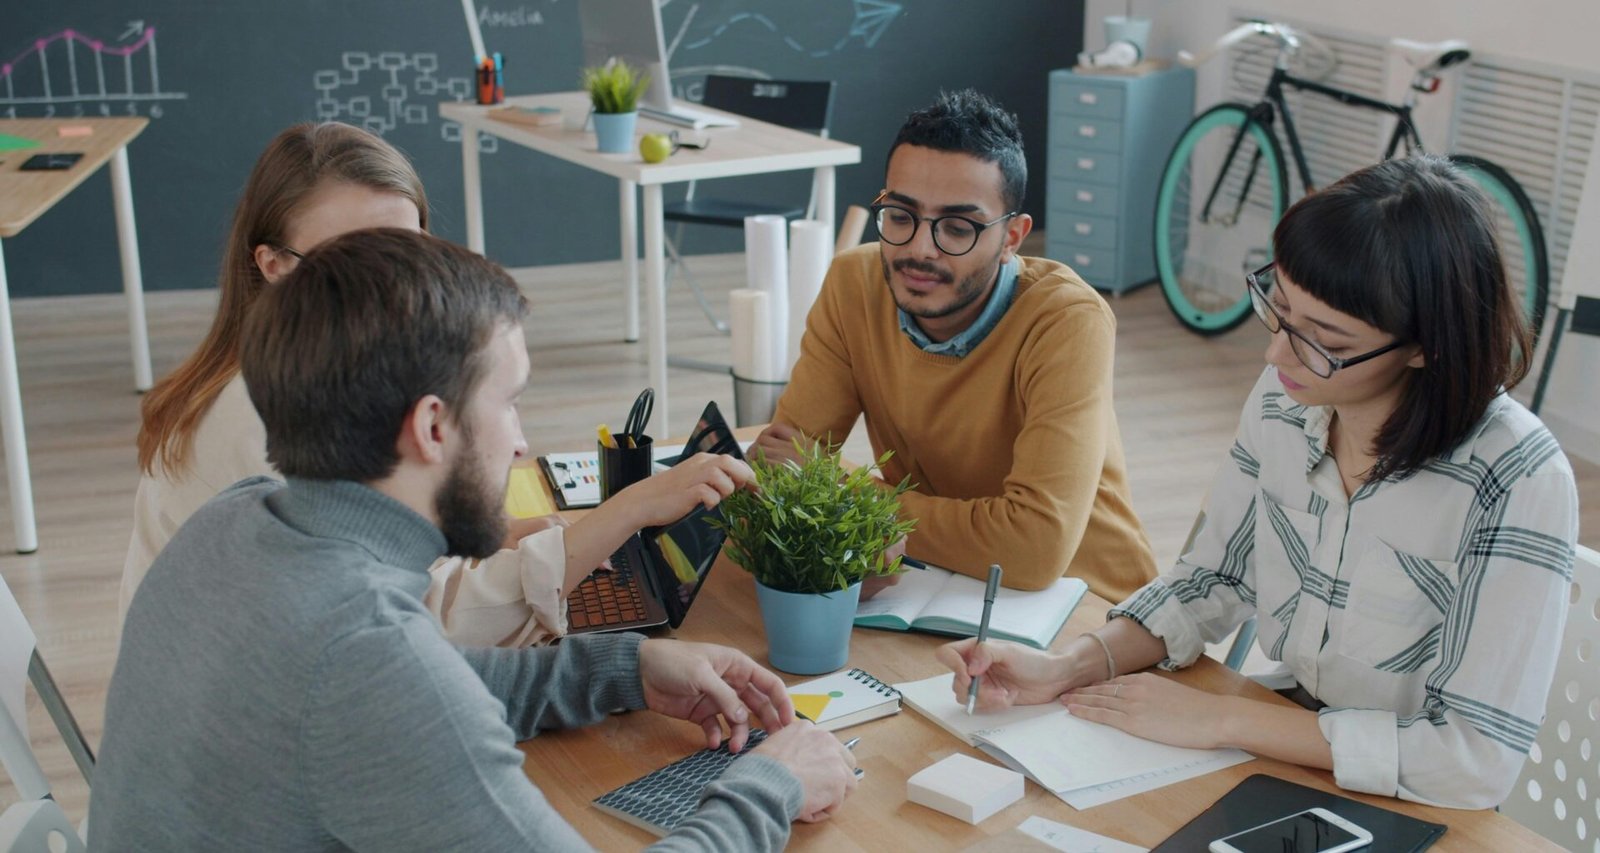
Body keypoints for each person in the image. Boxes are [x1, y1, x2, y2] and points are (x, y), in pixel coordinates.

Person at [91, 229, 857, 850]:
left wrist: (626, 667)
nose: (521, 443)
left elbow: (431, 683)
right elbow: (403, 689)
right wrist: (772, 784)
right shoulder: (366, 653)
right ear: (433, 426)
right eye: (510, 402)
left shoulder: (235, 519)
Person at [939, 156, 1578, 810]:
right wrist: (1066, 666)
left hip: (1413, 800)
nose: (1275, 354)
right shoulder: (1288, 397)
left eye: (1326, 342)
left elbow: (1471, 758)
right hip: (1290, 747)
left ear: (1424, 347)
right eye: (1281, 308)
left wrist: (1223, 719)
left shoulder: (1516, 476)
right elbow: (1213, 579)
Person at [124, 121, 698, 647]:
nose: (394, 285)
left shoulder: (331, 371)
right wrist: (623, 513)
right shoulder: (264, 421)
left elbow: (382, 548)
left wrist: (504, 533)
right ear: (274, 265)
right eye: (351, 263)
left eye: (407, 251)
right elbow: (419, 625)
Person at [755, 89, 1156, 602]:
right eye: (900, 216)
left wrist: (841, 495)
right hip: (931, 583)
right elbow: (782, 469)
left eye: (958, 227)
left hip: (1084, 605)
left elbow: (1034, 548)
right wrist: (816, 490)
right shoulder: (855, 281)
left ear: (1012, 237)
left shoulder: (1066, 319)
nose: (920, 249)